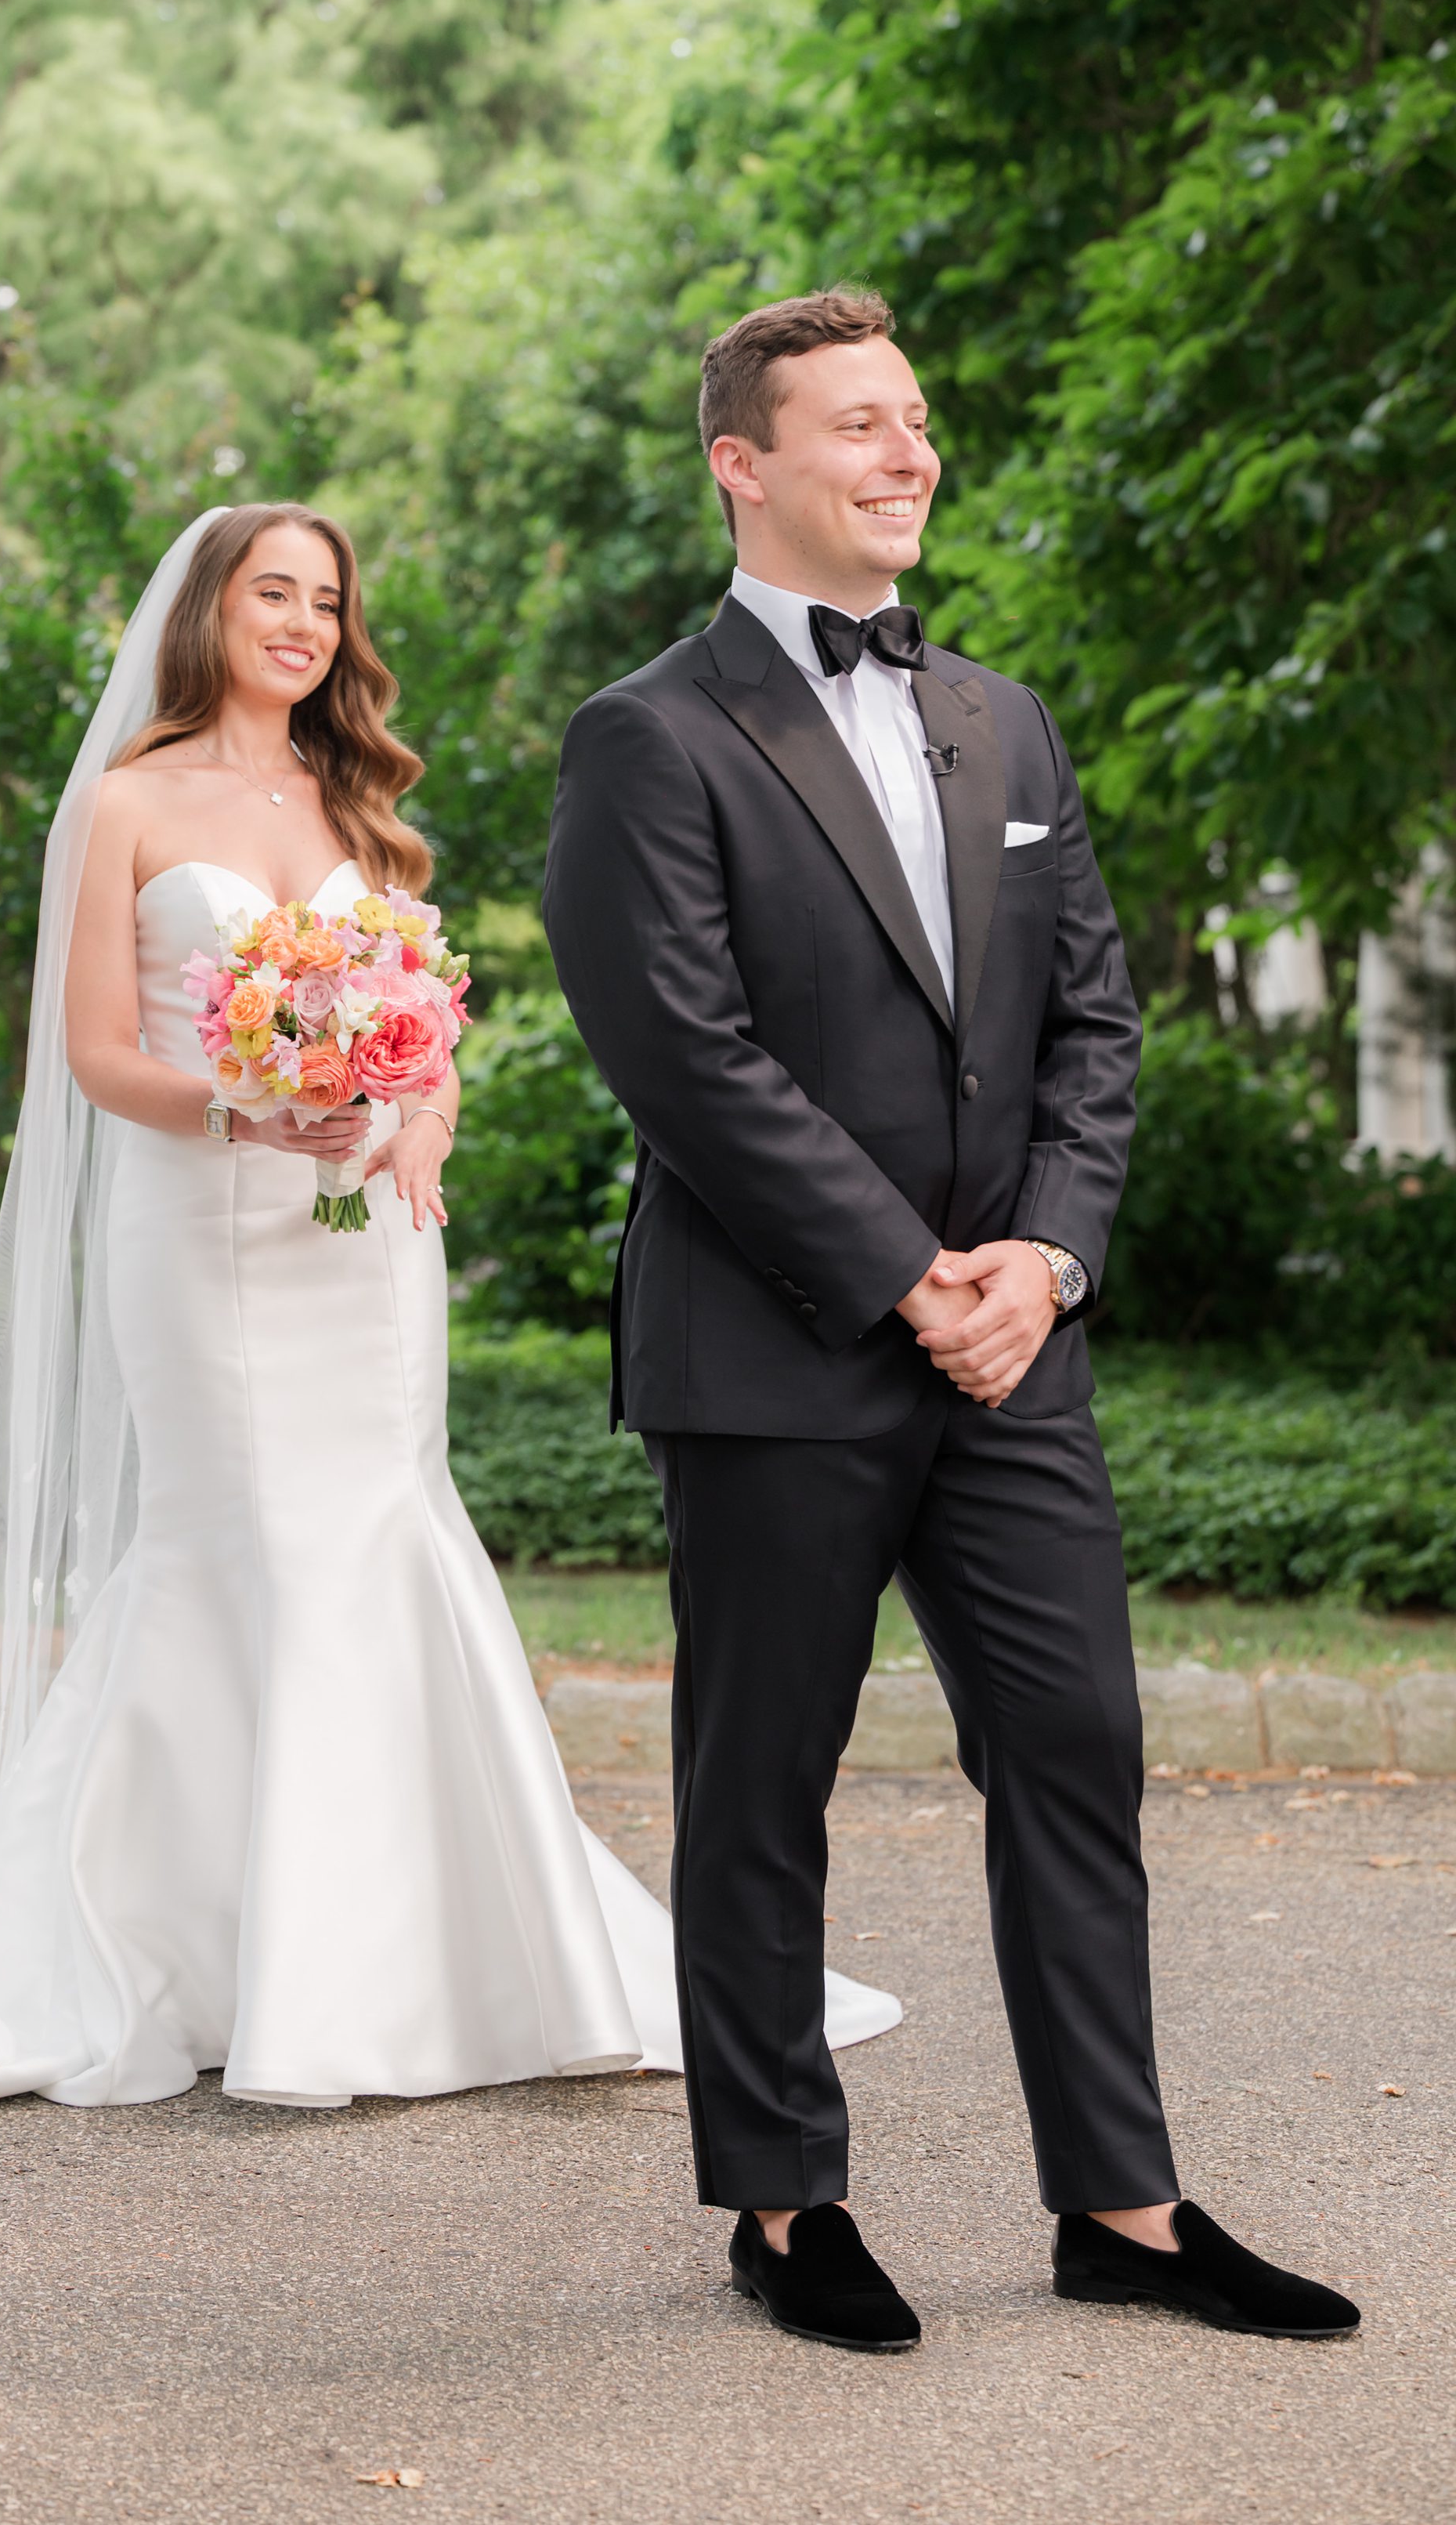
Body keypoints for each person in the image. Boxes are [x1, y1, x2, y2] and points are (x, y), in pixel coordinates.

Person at [0, 499, 899, 2119]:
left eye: (328, 602)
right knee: (242, 1543)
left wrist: (416, 1119)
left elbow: (428, 1029)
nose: (304, 625)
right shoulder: (128, 805)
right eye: (274, 593)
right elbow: (95, 1055)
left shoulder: (358, 800)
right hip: (203, 1222)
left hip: (363, 1240)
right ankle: (200, 1950)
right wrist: (238, 1108)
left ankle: (439, 1955)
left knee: (383, 1527)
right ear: (207, 610)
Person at [541, 288, 1360, 2352]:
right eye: (858, 428)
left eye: (916, 425)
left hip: (1015, 1350)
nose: (908, 456)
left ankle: (1125, 2206)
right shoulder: (648, 736)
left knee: (1078, 1751)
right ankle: (785, 2206)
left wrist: (1046, 1263)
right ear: (746, 462)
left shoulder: (1003, 719)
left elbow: (1094, 1020)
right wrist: (911, 1274)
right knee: (766, 1778)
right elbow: (686, 1057)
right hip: (780, 1348)